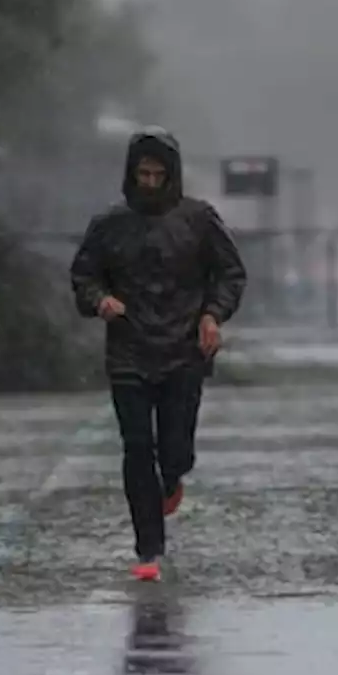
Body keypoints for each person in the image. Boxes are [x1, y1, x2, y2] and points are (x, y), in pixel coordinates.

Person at [69, 127, 247, 582]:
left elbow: (230, 273)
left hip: (184, 350)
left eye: (157, 174)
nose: (149, 182)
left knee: (175, 448)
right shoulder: (109, 225)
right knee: (136, 446)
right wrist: (100, 301)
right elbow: (84, 275)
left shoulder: (199, 220)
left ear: (172, 175)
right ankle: (148, 547)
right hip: (128, 348)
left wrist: (212, 316)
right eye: (142, 174)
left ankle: (172, 479)